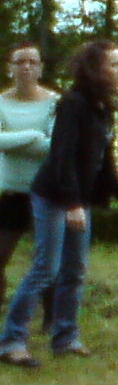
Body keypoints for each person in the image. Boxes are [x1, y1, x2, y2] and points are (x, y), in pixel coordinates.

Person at [0, 40, 118, 367]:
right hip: (55, 195)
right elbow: (62, 157)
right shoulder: (72, 104)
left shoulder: (101, 106)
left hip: (77, 197)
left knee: (75, 270)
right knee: (45, 268)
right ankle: (11, 341)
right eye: (114, 64)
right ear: (96, 69)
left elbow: (104, 159)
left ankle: (65, 338)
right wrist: (72, 204)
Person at [0, 41, 58, 299]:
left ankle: (51, 314)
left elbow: (54, 147)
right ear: (9, 68)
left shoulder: (55, 103)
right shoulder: (1, 103)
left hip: (46, 193)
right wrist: (35, 135)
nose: (26, 67)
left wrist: (11, 143)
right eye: (20, 62)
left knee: (47, 260)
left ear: (40, 68)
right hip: (11, 192)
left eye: (32, 62)